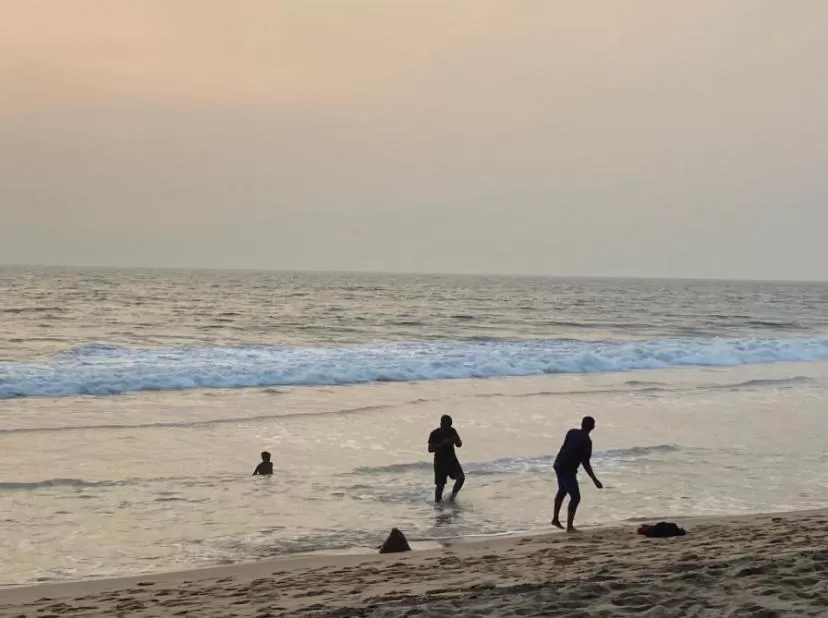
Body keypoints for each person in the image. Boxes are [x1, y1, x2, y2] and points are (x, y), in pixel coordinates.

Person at [552, 416, 603, 532]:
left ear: (581, 424)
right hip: (567, 469)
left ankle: (555, 519)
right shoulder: (587, 441)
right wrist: (595, 480)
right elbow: (585, 463)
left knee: (562, 490)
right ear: (593, 427)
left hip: (558, 464)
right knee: (575, 497)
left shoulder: (571, 432)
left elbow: (565, 448)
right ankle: (569, 527)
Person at [428, 415, 465, 503]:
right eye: (447, 425)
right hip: (440, 462)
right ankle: (438, 506)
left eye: (450, 425)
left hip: (452, 460)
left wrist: (457, 441)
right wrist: (442, 444)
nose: (449, 427)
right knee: (440, 485)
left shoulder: (452, 431)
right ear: (441, 424)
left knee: (461, 478)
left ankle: (452, 497)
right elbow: (430, 449)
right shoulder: (435, 433)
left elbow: (459, 445)